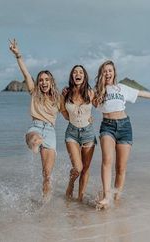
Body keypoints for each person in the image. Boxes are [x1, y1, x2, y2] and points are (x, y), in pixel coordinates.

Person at [93, 60, 150, 209]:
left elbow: (140, 93)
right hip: (107, 127)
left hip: (125, 126)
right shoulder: (98, 91)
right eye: (104, 71)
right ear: (101, 74)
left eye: (110, 70)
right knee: (107, 160)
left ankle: (117, 198)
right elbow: (90, 101)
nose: (107, 73)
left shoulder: (122, 88)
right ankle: (106, 196)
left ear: (114, 72)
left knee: (121, 167)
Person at [9, 39, 62, 198]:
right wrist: (18, 55)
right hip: (36, 127)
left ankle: (45, 202)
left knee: (46, 174)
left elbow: (69, 113)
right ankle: (34, 144)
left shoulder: (58, 99)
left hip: (51, 133)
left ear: (51, 82)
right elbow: (25, 73)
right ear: (38, 83)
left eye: (47, 80)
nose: (44, 82)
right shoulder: (34, 92)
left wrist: (87, 119)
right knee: (34, 137)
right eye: (41, 80)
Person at [61, 65, 97, 202]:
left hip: (88, 133)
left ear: (84, 76)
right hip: (72, 133)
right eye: (75, 72)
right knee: (78, 167)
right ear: (72, 76)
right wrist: (73, 117)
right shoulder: (66, 93)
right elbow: (63, 112)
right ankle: (71, 183)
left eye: (81, 72)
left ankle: (80, 198)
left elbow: (99, 105)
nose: (78, 74)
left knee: (86, 169)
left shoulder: (90, 92)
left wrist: (90, 117)